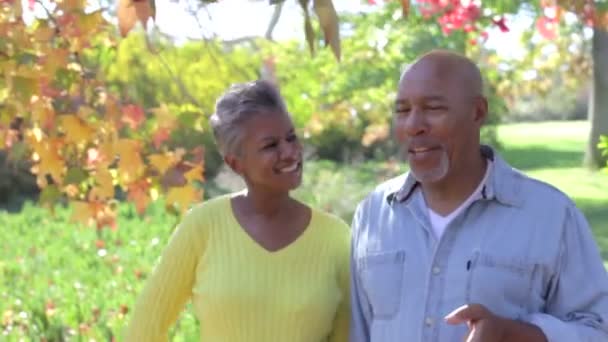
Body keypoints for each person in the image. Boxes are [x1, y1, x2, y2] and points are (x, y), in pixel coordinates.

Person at [349, 50, 608, 342]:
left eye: (433, 108)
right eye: (402, 110)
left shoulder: (550, 214)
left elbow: (597, 329)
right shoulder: (372, 214)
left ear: (478, 112)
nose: (413, 125)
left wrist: (511, 335)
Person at [125, 80, 350, 341]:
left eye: (291, 138)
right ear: (236, 163)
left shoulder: (335, 237)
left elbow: (348, 335)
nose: (289, 152)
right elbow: (143, 330)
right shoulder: (203, 226)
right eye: (270, 146)